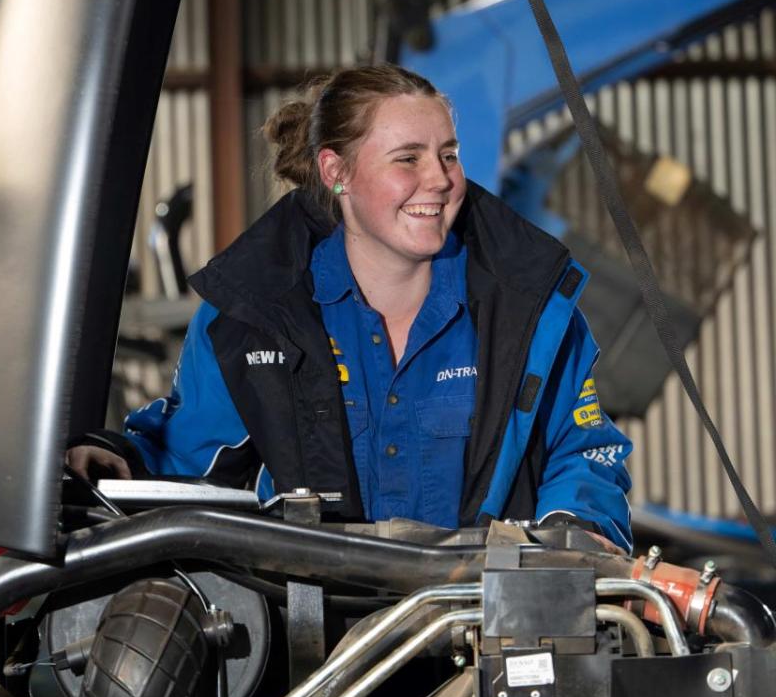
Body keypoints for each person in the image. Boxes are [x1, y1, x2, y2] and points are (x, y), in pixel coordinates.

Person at [70, 64, 632, 551]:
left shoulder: (530, 312)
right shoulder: (249, 322)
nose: (440, 180)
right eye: (407, 159)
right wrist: (122, 458)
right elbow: (191, 457)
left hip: (481, 637)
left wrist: (572, 530)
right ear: (337, 173)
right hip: (312, 649)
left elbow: (582, 450)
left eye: (448, 155)